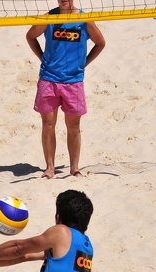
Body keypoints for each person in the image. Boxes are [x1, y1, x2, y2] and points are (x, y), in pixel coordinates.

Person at [26, 0, 105, 179]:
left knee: (74, 126)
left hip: (73, 80)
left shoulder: (84, 19)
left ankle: (74, 168)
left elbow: (100, 43)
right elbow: (30, 36)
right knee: (47, 125)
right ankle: (50, 168)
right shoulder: (49, 18)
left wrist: (84, 64)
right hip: (49, 78)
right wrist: (42, 58)